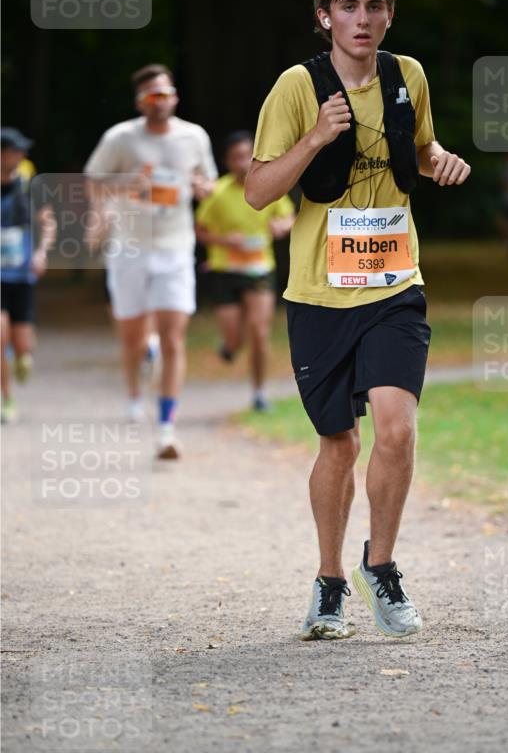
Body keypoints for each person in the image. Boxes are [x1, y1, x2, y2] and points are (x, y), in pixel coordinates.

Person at [245, 0, 471, 640]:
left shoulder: (408, 78)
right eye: (348, 7)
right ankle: (329, 580)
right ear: (325, 17)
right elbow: (257, 191)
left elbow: (420, 150)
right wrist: (316, 136)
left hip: (394, 283)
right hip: (318, 293)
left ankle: (381, 565)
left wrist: (441, 161)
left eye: (374, 6)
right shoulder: (296, 86)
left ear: (388, 14)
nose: (362, 19)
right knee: (337, 444)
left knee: (396, 428)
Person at [84, 64, 218, 458]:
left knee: (175, 337)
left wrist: (200, 187)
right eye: (150, 96)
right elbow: (94, 180)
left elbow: (208, 183)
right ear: (140, 102)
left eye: (164, 94)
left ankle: (166, 427)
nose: (158, 102)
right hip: (129, 248)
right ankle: (133, 392)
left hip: (175, 248)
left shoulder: (194, 136)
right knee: (131, 337)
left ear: (175, 96)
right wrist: (122, 192)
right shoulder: (121, 137)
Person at [195, 131, 295, 411]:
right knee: (235, 337)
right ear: (227, 161)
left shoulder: (267, 186)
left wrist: (282, 226)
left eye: (247, 156)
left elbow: (288, 216)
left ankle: (260, 393)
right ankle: (229, 345)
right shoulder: (216, 192)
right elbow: (199, 231)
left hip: (259, 267)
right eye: (236, 157)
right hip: (225, 269)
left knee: (259, 332)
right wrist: (225, 241)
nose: (242, 163)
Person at [1, 128, 55, 423]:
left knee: (23, 343)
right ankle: (7, 398)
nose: (22, 156)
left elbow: (48, 224)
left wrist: (41, 252)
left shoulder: (29, 188)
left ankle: (22, 356)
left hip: (21, 275)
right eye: (15, 151)